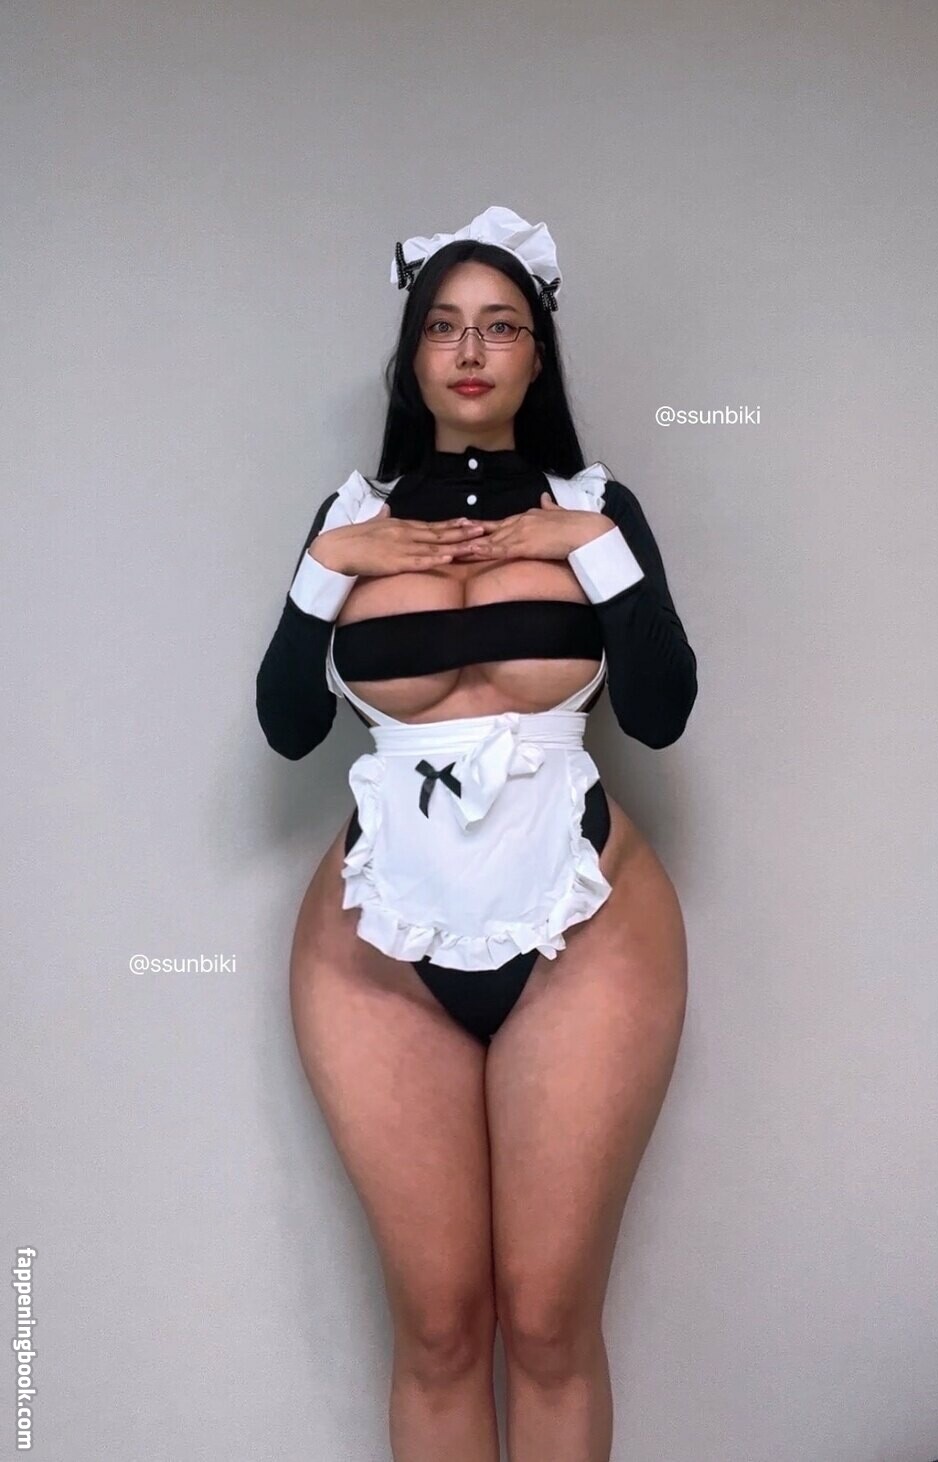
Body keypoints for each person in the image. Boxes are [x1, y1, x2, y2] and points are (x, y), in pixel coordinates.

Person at [256, 205, 697, 1462]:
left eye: (500, 326)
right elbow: (288, 726)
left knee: (548, 1322)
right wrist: (326, 567)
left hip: (585, 925)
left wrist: (596, 553)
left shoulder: (598, 507)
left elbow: (661, 712)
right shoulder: (348, 517)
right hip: (375, 946)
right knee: (442, 1326)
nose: (469, 349)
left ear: (536, 355)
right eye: (443, 326)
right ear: (411, 356)